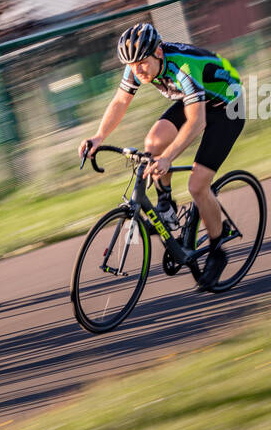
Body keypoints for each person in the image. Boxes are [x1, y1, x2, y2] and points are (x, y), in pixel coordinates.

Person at [79, 22, 244, 291]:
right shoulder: (137, 64)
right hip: (199, 101)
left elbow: (197, 122)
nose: (137, 71)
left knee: (197, 185)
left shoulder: (183, 68)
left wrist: (168, 157)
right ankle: (166, 206)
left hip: (228, 107)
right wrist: (98, 137)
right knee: (152, 142)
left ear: (157, 52)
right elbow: (120, 101)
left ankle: (218, 249)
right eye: (131, 65)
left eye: (141, 63)